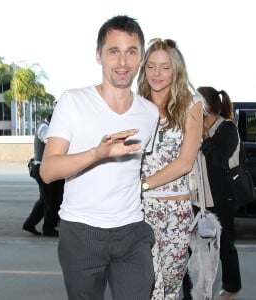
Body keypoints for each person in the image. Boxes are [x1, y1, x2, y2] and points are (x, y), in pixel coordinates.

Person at [40, 15, 159, 299]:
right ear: (99, 55)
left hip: (131, 231)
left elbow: (135, 172)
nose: (122, 62)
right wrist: (98, 153)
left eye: (131, 52)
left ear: (141, 58)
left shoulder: (149, 113)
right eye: (113, 51)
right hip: (81, 232)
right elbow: (48, 170)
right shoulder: (73, 101)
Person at [137, 38, 203, 299]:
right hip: (138, 210)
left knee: (171, 286)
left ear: (176, 69)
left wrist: (142, 184)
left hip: (175, 211)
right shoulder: (135, 104)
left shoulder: (191, 104)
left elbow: (185, 162)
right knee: (147, 284)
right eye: (151, 66)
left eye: (165, 67)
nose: (157, 74)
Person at [198, 86, 242, 300]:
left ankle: (232, 286)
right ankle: (193, 291)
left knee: (224, 245)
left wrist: (204, 136)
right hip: (199, 198)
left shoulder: (227, 128)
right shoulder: (193, 127)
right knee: (197, 248)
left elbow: (217, 158)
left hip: (221, 197)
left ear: (206, 106)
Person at [23, 111, 64, 237]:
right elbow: (48, 140)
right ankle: (48, 229)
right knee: (51, 200)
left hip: (51, 167)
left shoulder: (50, 127)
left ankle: (30, 224)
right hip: (42, 168)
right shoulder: (44, 127)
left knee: (48, 199)